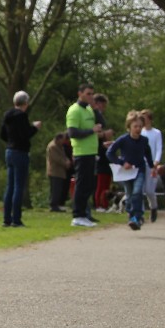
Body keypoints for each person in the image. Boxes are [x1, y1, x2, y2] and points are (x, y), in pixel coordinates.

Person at [107, 111, 157, 230]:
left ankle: (137, 217)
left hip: (139, 170)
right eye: (135, 126)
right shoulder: (123, 139)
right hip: (127, 173)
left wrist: (152, 167)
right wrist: (121, 162)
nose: (138, 129)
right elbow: (110, 153)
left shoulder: (144, 140)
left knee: (137, 192)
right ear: (129, 127)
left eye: (140, 126)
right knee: (129, 196)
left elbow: (148, 154)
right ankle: (131, 215)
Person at [0, 90, 41, 227]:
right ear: (26, 103)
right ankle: (16, 219)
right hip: (20, 152)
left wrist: (11, 140)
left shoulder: (7, 115)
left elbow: (2, 134)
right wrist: (34, 128)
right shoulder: (22, 116)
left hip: (9, 151)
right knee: (18, 186)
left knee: (10, 186)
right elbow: (25, 134)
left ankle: (7, 219)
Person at [66, 84, 101, 227]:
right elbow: (72, 133)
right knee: (81, 185)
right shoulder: (74, 110)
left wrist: (96, 109)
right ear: (80, 94)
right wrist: (91, 131)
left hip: (91, 152)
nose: (91, 96)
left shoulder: (89, 109)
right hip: (81, 152)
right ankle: (77, 215)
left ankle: (84, 214)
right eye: (88, 94)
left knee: (89, 185)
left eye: (92, 94)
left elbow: (102, 124)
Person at [140, 109, 163, 222]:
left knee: (149, 191)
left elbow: (158, 148)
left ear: (149, 119)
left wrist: (156, 161)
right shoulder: (140, 132)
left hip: (151, 164)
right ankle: (140, 213)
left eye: (144, 118)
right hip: (140, 163)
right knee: (139, 189)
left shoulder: (156, 133)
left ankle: (153, 207)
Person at [92, 93, 114, 211]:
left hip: (104, 151)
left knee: (106, 179)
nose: (104, 108)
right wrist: (105, 134)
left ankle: (105, 203)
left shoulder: (100, 117)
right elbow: (93, 134)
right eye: (103, 105)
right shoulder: (93, 116)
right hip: (97, 152)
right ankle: (98, 204)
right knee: (100, 180)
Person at [46, 132, 73, 212]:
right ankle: (53, 205)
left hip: (60, 171)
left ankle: (57, 204)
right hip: (55, 171)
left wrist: (68, 161)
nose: (64, 141)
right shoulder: (52, 146)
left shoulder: (59, 146)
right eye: (63, 140)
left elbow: (63, 155)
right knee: (55, 189)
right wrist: (65, 163)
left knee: (59, 189)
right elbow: (56, 158)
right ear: (58, 139)